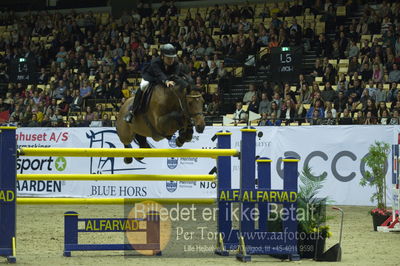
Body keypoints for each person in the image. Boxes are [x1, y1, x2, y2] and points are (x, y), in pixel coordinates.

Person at [124, 43, 181, 123]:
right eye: (168, 58)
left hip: (166, 78)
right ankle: (132, 110)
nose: (171, 60)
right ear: (162, 56)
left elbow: (175, 74)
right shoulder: (155, 62)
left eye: (172, 58)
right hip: (151, 77)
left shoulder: (175, 63)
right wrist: (166, 81)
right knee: (143, 86)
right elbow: (159, 73)